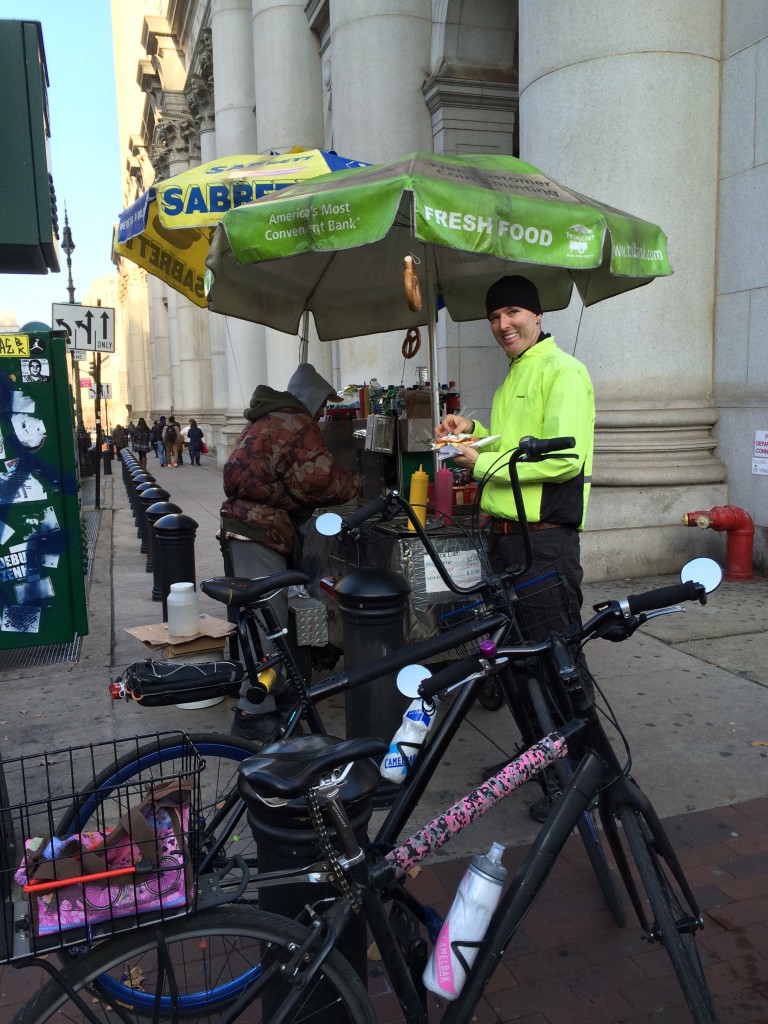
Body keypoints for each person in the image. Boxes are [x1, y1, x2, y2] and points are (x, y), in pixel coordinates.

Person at [436, 274, 595, 819]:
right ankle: (538, 763)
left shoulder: (564, 372)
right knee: (518, 664)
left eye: (512, 313)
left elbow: (564, 459)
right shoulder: (513, 379)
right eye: (495, 316)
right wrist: (472, 429)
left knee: (555, 664)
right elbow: (515, 446)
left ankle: (578, 780)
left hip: (543, 543)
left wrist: (480, 464)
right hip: (507, 544)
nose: (503, 325)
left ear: (537, 316)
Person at [220, 363, 363, 740]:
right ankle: (253, 715)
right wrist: (360, 481)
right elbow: (321, 482)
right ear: (311, 398)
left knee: (261, 621)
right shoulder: (295, 422)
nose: (321, 414)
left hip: (244, 528)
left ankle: (274, 691)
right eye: (321, 405)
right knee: (269, 624)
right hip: (259, 531)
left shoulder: (266, 415)